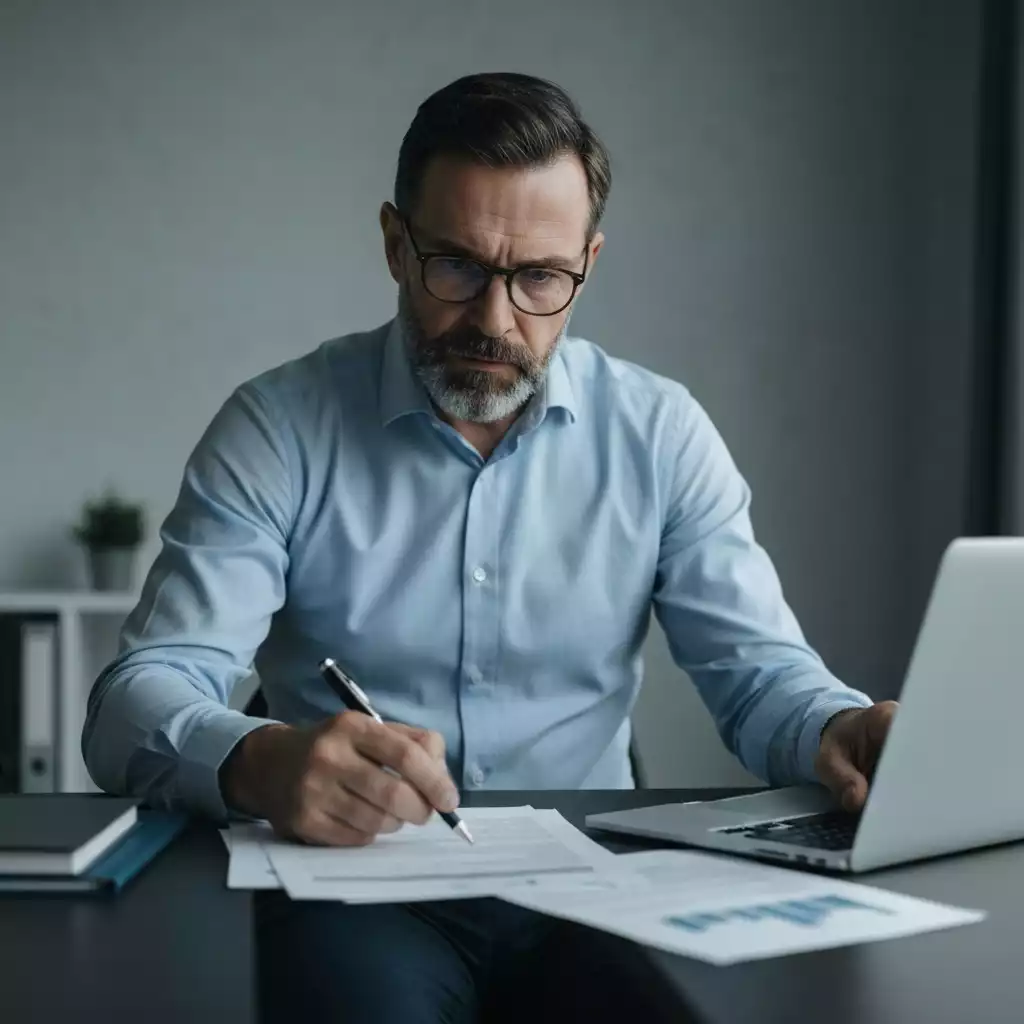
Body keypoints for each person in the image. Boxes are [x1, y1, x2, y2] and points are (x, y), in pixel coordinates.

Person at [83, 72, 896, 1022]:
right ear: (395, 244)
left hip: (594, 888)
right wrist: (259, 761)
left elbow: (761, 679)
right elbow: (134, 700)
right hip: (357, 889)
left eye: (540, 278)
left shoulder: (662, 433)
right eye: (458, 267)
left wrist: (840, 731)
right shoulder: (277, 429)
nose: (496, 321)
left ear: (586, 264)